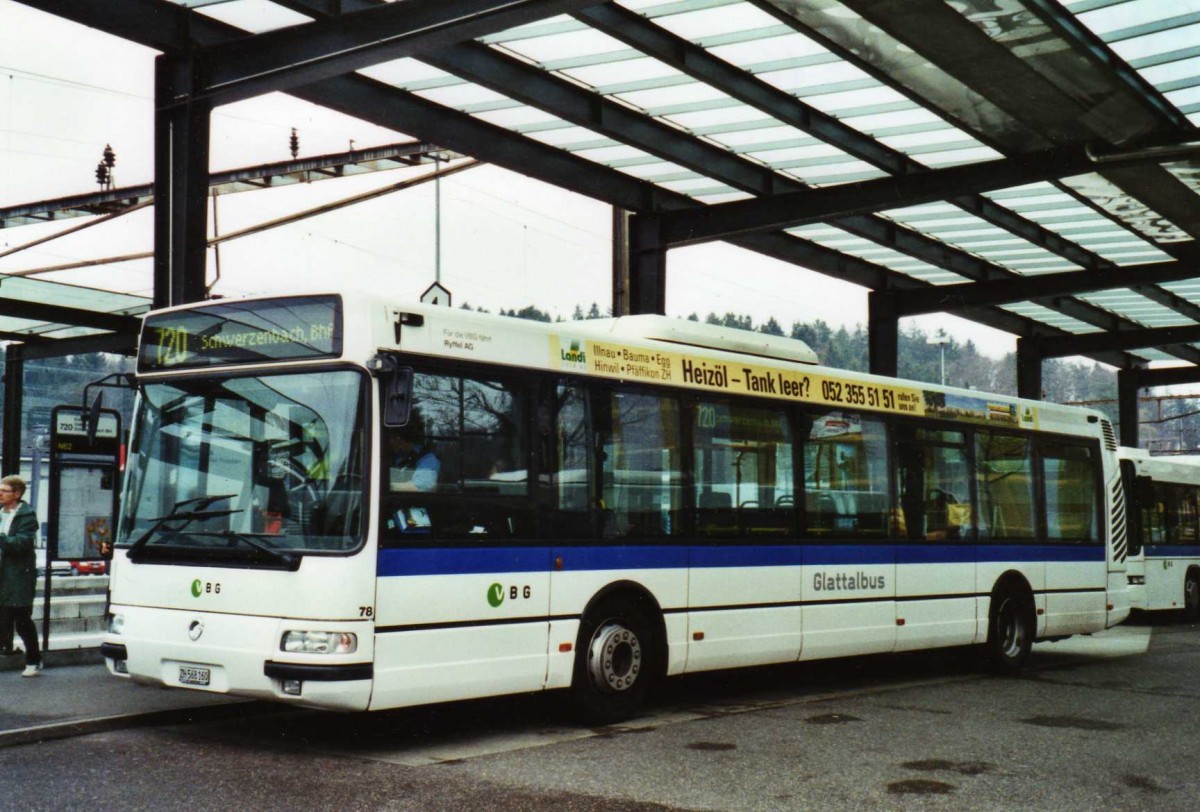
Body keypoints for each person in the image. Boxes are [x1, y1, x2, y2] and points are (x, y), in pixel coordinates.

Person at [0, 475, 42, 677]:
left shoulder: (27, 516)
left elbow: (21, 544)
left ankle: (33, 660)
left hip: (17, 576)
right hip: (1, 573)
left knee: (21, 620)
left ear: (16, 494)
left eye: (4, 491)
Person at [389, 424, 440, 492]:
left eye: (392, 437)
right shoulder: (397, 456)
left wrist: (386, 486)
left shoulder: (427, 458)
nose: (390, 441)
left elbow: (420, 487)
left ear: (399, 438)